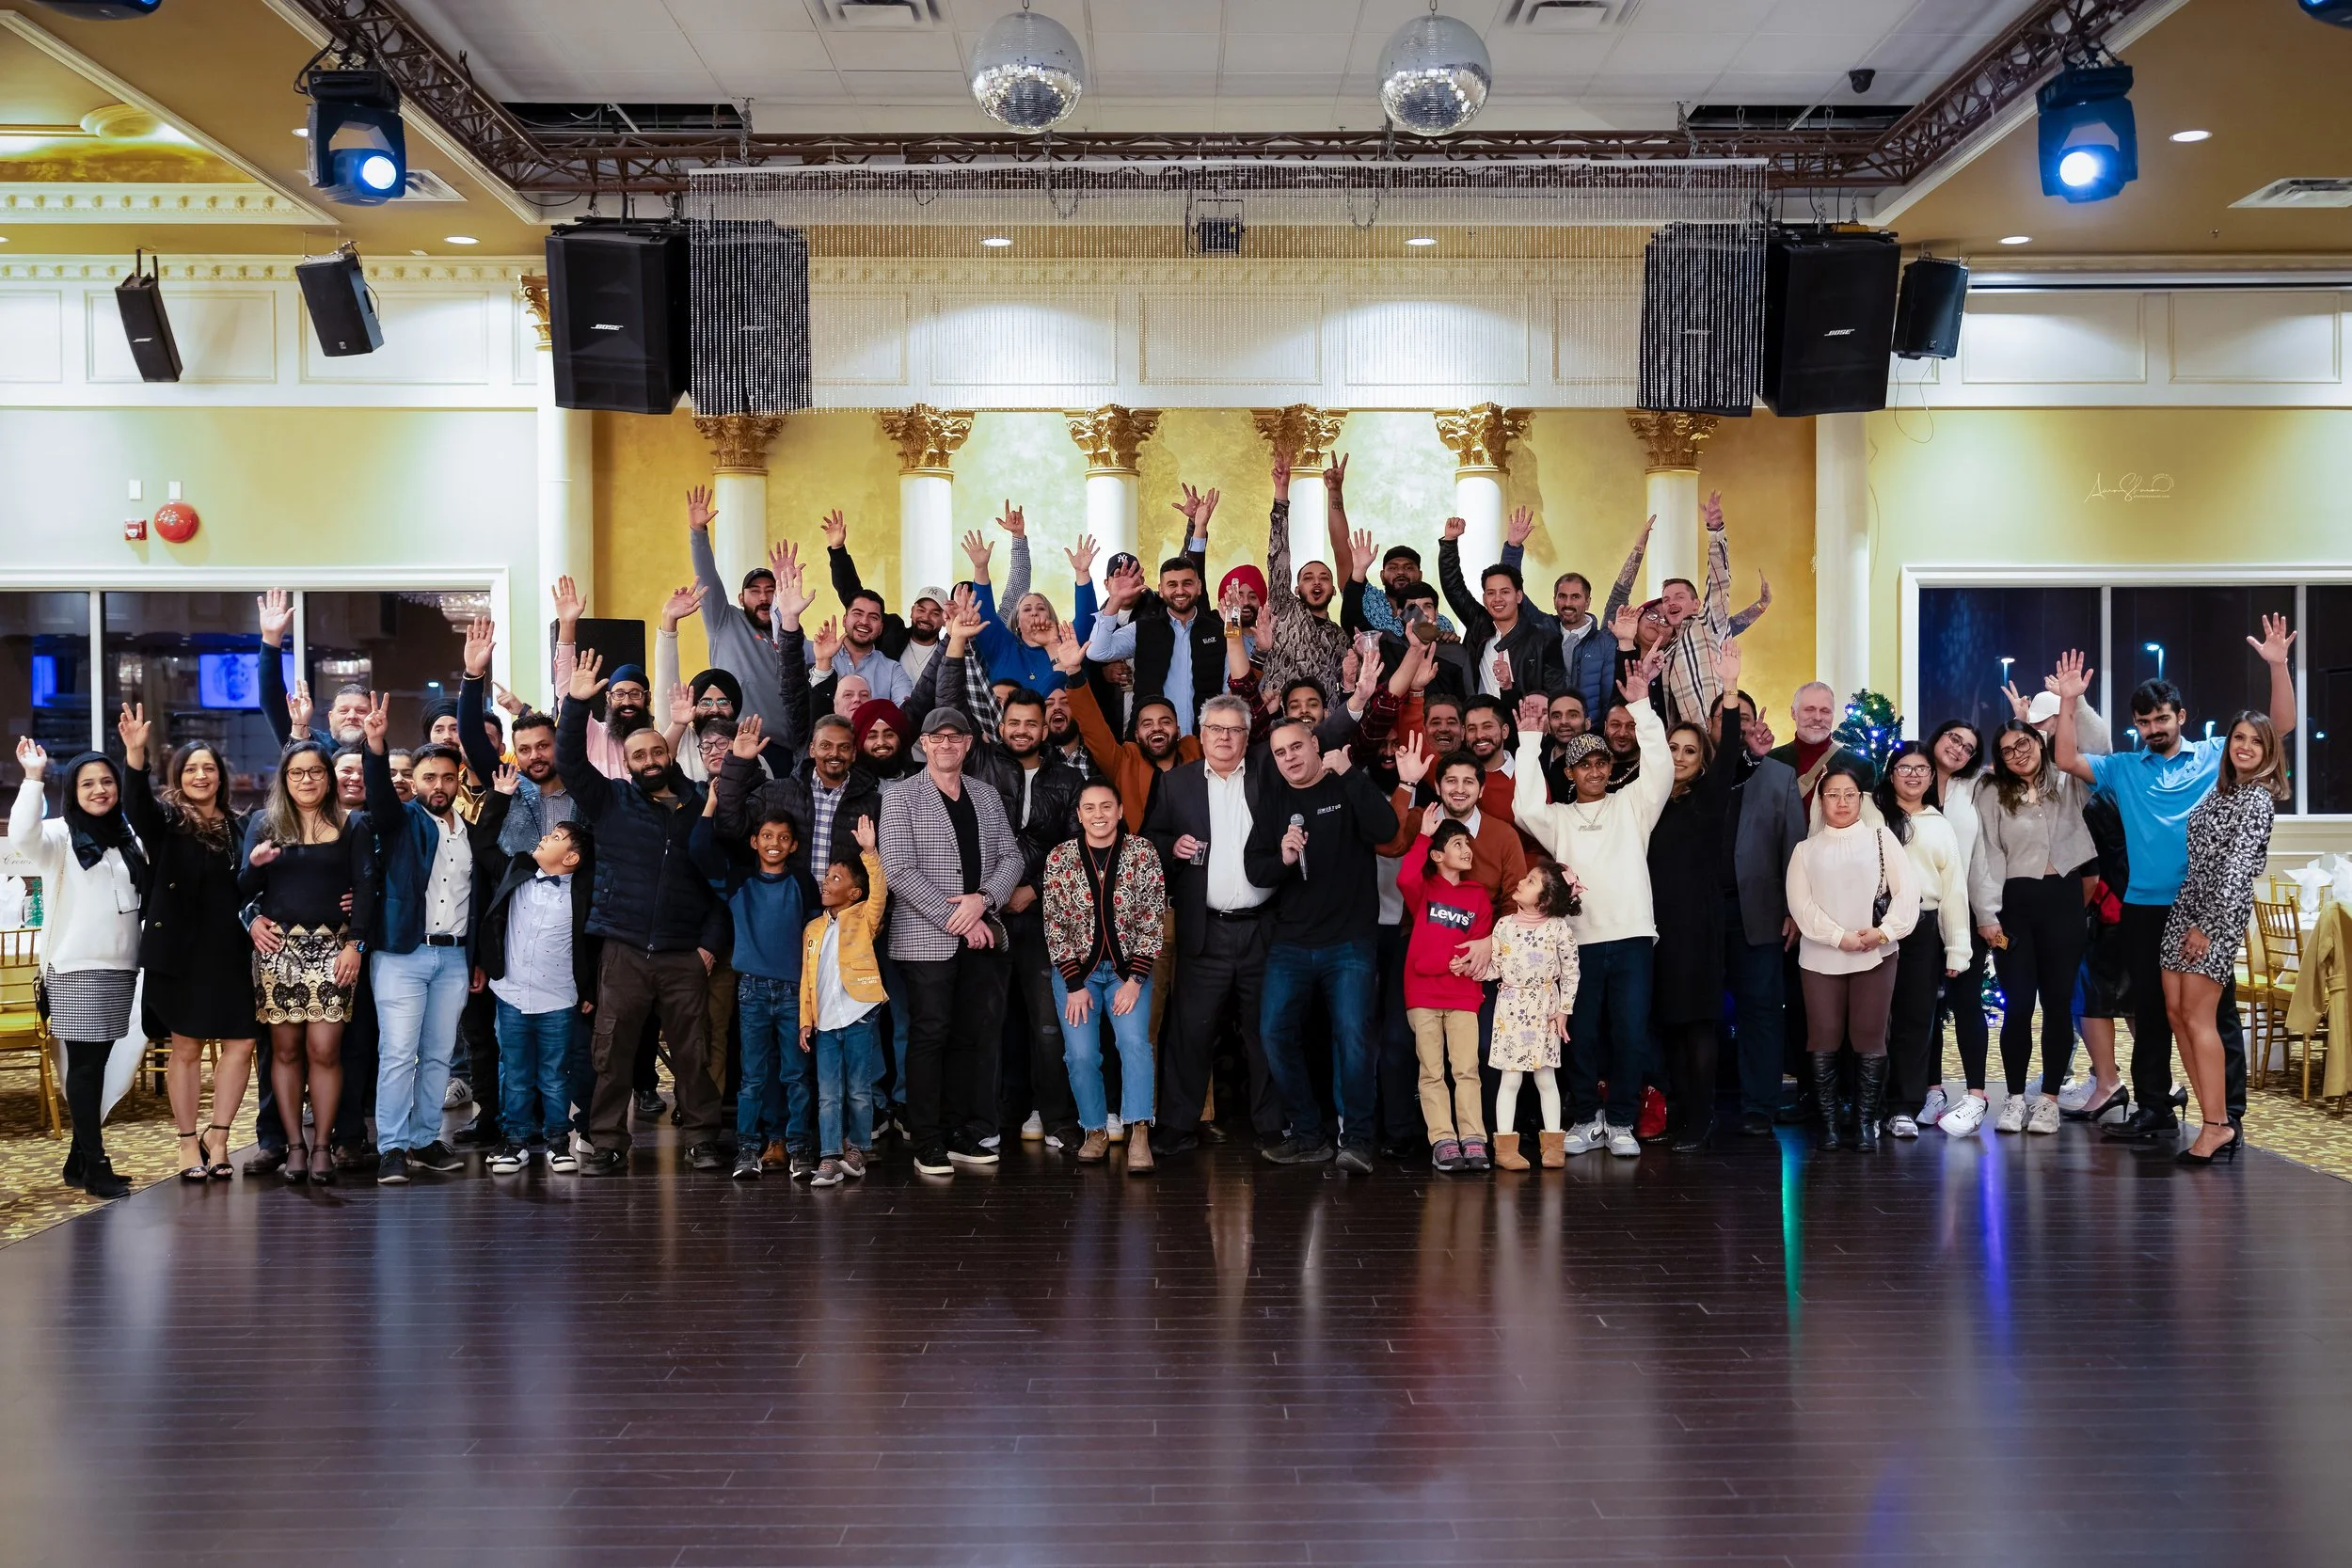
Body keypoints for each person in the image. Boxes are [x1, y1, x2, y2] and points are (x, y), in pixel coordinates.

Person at [2058, 615, 2296, 1145]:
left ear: (2181, 716)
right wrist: (2069, 702)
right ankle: (2155, 1107)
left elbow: (2277, 728)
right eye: (2144, 722)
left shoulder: (2214, 756)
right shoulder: (2124, 767)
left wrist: (2278, 667)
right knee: (2151, 1010)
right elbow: (2067, 758)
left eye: (2162, 718)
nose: (2154, 728)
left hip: (2204, 908)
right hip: (2144, 905)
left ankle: (2228, 1114)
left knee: (2216, 1014)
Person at [556, 650, 731, 1178]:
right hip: (624, 948)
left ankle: (701, 1139)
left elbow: (722, 882)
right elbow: (570, 762)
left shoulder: (701, 803)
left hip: (683, 952)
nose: (650, 760)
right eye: (639, 756)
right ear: (628, 764)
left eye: (657, 751)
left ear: (669, 754)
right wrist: (575, 704)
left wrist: (708, 944)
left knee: (693, 1052)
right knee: (612, 1052)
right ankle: (608, 1141)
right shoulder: (610, 801)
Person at [1510, 652, 1670, 1158]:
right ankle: (1584, 1117)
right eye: (1585, 764)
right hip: (1576, 943)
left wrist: (1642, 708)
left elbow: (1661, 770)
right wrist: (1529, 741)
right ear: (1571, 772)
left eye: (1601, 762)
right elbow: (1524, 807)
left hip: (1632, 937)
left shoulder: (1633, 805)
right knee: (1578, 1033)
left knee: (1630, 1033)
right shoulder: (1558, 819)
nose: (1595, 770)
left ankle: (1620, 1121)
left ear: (1610, 767)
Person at [359, 682, 510, 1183]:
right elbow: (380, 796)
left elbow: (480, 902)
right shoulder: (399, 823)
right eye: (429, 777)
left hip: (453, 960)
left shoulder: (470, 832)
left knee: (440, 1055)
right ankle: (392, 1147)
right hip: (402, 956)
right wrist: (375, 746)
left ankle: (425, 1140)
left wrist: (477, 959)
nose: (439, 785)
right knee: (399, 1054)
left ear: (458, 778)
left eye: (447, 776)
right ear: (415, 782)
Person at [1244, 719, 1402, 1172]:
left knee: (1353, 1037)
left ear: (1315, 745)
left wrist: (1349, 773)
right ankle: (1308, 1135)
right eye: (1280, 753)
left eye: (1296, 747)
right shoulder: (1274, 800)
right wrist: (1283, 859)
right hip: (1291, 942)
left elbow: (1386, 828)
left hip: (1350, 941)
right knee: (1274, 1033)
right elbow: (1256, 870)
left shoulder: (1346, 785)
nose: (1289, 758)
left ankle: (1357, 1140)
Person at [878, 706, 1024, 1177]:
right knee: (930, 1034)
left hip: (980, 936)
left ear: (968, 744)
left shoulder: (986, 795)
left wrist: (983, 900)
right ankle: (927, 1140)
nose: (946, 745)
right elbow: (898, 869)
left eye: (955, 737)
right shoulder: (900, 797)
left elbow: (1012, 858)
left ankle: (962, 1131)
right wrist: (959, 918)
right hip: (926, 939)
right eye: (937, 738)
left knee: (970, 1037)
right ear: (923, 744)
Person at [116, 708, 257, 1182]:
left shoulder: (240, 827)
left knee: (242, 1043)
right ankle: (186, 1141)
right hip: (179, 953)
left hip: (233, 952)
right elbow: (136, 804)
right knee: (187, 1047)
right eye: (191, 768)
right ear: (178, 776)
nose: (201, 775)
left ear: (221, 776)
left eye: (209, 768)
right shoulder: (167, 821)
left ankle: (219, 1138)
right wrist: (135, 754)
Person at [1968, 658, 2103, 1136]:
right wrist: (1986, 915)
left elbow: (2100, 748)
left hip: (2063, 900)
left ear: (2040, 741)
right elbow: (1985, 854)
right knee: (2019, 1004)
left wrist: (2074, 701)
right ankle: (2014, 1098)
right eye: (2007, 750)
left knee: (2059, 1003)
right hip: (2015, 907)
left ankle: (2048, 1100)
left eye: (2024, 743)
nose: (2017, 754)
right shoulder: (1991, 792)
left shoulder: (2066, 780)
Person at [1142, 692, 1281, 1153]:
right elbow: (1149, 839)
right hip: (1205, 929)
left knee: (1266, 1031)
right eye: (1215, 729)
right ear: (1200, 736)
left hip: (1263, 928)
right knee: (1191, 1032)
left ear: (1247, 737)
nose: (1224, 737)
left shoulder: (1268, 774)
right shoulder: (1175, 784)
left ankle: (1272, 1126)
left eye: (1234, 730)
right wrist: (1171, 848)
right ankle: (1177, 1125)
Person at [10, 741, 148, 1199]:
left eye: (107, 781)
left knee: (98, 1063)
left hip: (122, 966)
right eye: (87, 783)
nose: (99, 790)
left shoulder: (129, 838)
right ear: (72, 790)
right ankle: (96, 1164)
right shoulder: (58, 836)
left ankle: (77, 1159)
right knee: (86, 1067)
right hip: (75, 968)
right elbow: (22, 834)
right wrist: (33, 777)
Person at [2165, 712, 2287, 1165]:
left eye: (2256, 741)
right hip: (2187, 903)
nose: (2245, 747)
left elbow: (2236, 870)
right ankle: (2210, 1117)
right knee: (2177, 1015)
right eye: (2239, 737)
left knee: (2199, 1018)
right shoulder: (2222, 790)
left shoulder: (2257, 798)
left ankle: (2218, 1124)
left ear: (2268, 751)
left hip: (2217, 912)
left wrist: (2207, 925)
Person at [1644, 640, 1746, 1151]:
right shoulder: (1647, 801)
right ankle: (1679, 1114)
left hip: (1696, 927)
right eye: (1673, 748)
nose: (1680, 757)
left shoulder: (1709, 797)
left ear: (1701, 759)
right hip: (1655, 927)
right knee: (1668, 1025)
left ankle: (1702, 1119)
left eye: (1689, 750)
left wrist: (1729, 690)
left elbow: (1729, 754)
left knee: (1697, 1024)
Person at [1787, 763, 1919, 1152]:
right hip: (1820, 956)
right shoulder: (1805, 850)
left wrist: (1884, 932)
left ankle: (1865, 1124)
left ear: (1861, 799)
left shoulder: (1880, 837)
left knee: (1869, 1036)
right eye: (1833, 795)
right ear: (1821, 801)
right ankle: (1829, 1126)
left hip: (1876, 952)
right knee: (1823, 1036)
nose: (1842, 802)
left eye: (1849, 794)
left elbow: (1907, 892)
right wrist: (1837, 937)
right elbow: (1801, 905)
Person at [692, 776, 821, 1180]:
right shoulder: (739, 881)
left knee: (796, 1074)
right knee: (752, 1076)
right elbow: (700, 851)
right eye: (766, 836)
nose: (774, 843)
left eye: (783, 838)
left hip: (795, 990)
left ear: (794, 845)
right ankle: (748, 1148)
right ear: (754, 841)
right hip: (752, 990)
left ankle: (797, 1147)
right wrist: (711, 804)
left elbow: (815, 936)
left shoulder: (802, 882)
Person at [1042, 780, 1168, 1171]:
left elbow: (1153, 918)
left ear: (1119, 811)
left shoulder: (1142, 852)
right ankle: (1095, 1130)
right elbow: (1054, 923)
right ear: (1079, 816)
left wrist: (1135, 980)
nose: (1099, 815)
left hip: (1128, 973)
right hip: (1076, 976)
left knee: (1134, 1044)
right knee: (1080, 1054)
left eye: (1106, 806)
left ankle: (1139, 1133)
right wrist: (1073, 983)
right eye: (1090, 808)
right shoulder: (1060, 857)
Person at [476, 804, 595, 1175]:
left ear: (571, 858)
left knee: (555, 1074)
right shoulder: (518, 870)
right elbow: (483, 846)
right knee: (515, 1072)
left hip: (558, 999)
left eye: (556, 837)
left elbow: (592, 948)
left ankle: (558, 1141)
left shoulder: (584, 893)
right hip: (511, 993)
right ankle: (515, 1141)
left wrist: (590, 991)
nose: (545, 837)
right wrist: (499, 797)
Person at [1873, 743, 1971, 1140]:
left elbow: (1953, 889)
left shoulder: (1939, 824)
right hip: (1873, 926)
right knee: (1870, 1021)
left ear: (1931, 777)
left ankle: (1903, 1107)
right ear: (1890, 773)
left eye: (1921, 769)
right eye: (1904, 767)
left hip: (1922, 928)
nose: (1913, 775)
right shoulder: (1871, 814)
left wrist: (1957, 948)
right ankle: (1866, 1106)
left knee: (1915, 1021)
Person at [1724, 690, 1805, 1136]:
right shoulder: (1694, 769)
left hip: (1760, 913)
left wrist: (1793, 908)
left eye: (1744, 717)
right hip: (1702, 915)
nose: (1736, 725)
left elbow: (1794, 847)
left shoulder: (1779, 775)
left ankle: (1760, 1104)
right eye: (1726, 717)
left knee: (1761, 1010)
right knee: (1697, 1012)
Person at [1396, 812, 1497, 1172]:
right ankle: (1442, 1140)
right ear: (1438, 855)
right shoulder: (1424, 889)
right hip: (1423, 995)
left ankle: (1473, 1138)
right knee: (1432, 1071)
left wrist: (1465, 963)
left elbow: (1480, 946)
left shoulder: (1478, 895)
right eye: (1457, 844)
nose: (1467, 849)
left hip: (1463, 995)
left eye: (1467, 843)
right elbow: (1404, 877)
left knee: (1467, 1068)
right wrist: (1423, 837)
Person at [797, 817, 888, 1186]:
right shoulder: (813, 928)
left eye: (836, 878)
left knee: (859, 1090)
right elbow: (807, 979)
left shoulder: (863, 917)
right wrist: (806, 1019)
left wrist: (869, 853)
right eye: (826, 876)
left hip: (858, 1015)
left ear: (854, 893)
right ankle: (830, 1156)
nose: (826, 882)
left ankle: (858, 1149)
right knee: (828, 1093)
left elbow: (879, 893)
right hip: (825, 1022)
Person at [1919, 719, 1991, 1129]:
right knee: (1923, 1006)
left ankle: (1976, 1095)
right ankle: (1932, 1090)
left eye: (1968, 748)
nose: (1959, 749)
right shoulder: (1911, 776)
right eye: (1954, 739)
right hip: (1917, 914)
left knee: (1966, 1003)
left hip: (1963, 912)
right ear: (1939, 736)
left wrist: (1986, 913)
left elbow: (1983, 854)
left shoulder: (1977, 787)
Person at [1487, 862, 1581, 1170]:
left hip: (1545, 1012)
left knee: (1546, 1078)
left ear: (1544, 900)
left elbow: (1571, 972)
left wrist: (1564, 1009)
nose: (1521, 881)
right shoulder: (1503, 926)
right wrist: (1470, 967)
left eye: (1530, 881)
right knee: (1510, 1079)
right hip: (1511, 1010)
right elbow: (1496, 967)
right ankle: (1505, 1149)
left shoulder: (1558, 929)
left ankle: (1553, 1147)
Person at [684, 484, 798, 730]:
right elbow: (707, 576)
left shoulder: (791, 636)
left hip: (787, 746)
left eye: (771, 590)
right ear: (741, 598)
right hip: (735, 738)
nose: (764, 597)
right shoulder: (724, 621)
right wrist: (698, 533)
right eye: (755, 591)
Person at [1438, 511, 1564, 705]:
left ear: (1519, 596)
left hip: (1524, 721)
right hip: (1478, 719)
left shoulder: (1543, 639)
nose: (1497, 599)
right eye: (1491, 593)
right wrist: (1449, 543)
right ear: (1484, 598)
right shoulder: (1478, 624)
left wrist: (1510, 686)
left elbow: (1554, 696)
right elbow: (1454, 587)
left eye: (1505, 592)